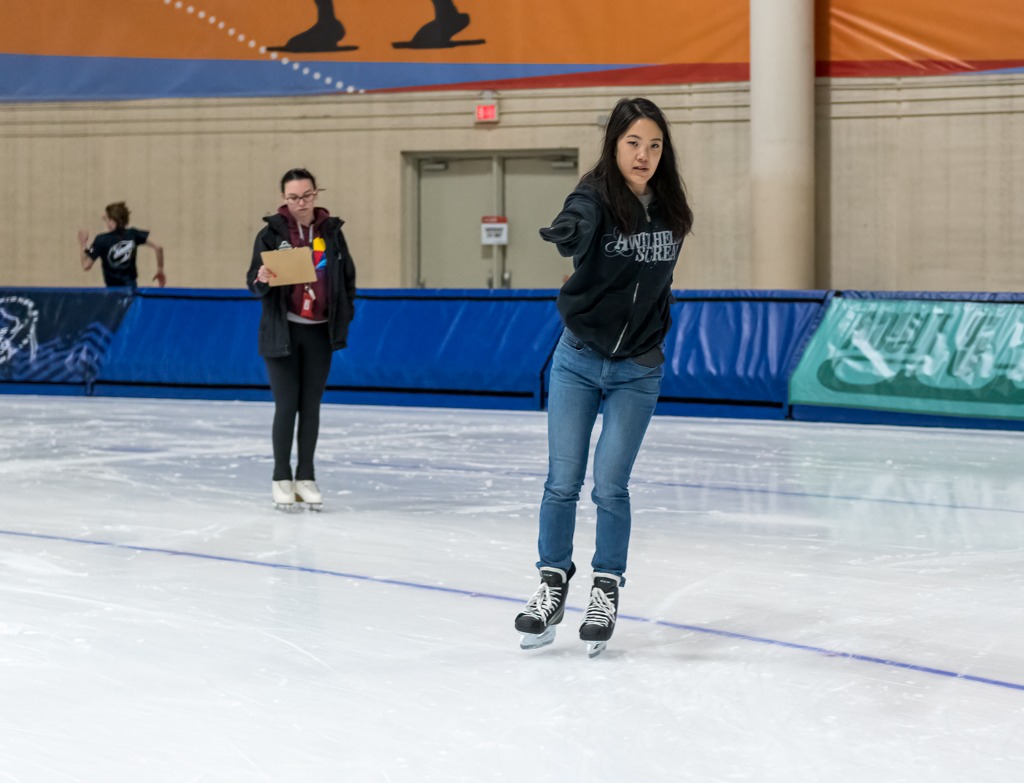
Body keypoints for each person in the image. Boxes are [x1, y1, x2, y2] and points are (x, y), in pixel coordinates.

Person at [514, 97, 694, 656]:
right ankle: (551, 583)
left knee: (610, 486)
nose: (644, 155)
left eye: (654, 145)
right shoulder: (593, 196)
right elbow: (580, 218)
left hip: (637, 368)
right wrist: (570, 231)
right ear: (614, 144)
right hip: (578, 360)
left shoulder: (670, 209)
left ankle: (606, 586)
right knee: (562, 482)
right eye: (633, 143)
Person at [246, 168, 356, 511]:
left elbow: (348, 278)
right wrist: (261, 278)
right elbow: (254, 282)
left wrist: (344, 315)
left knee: (311, 407)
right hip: (284, 333)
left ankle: (305, 478)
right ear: (283, 199)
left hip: (320, 332)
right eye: (293, 197)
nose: (300, 203)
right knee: (287, 406)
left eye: (306, 196)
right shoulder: (270, 234)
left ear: (316, 194)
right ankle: (282, 478)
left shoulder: (333, 234)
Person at [78, 202, 165, 288]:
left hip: (112, 291)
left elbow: (86, 265)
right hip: (131, 288)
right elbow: (158, 246)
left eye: (107, 218)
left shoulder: (101, 240)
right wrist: (160, 269)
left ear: (112, 221)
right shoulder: (133, 234)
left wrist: (84, 245)